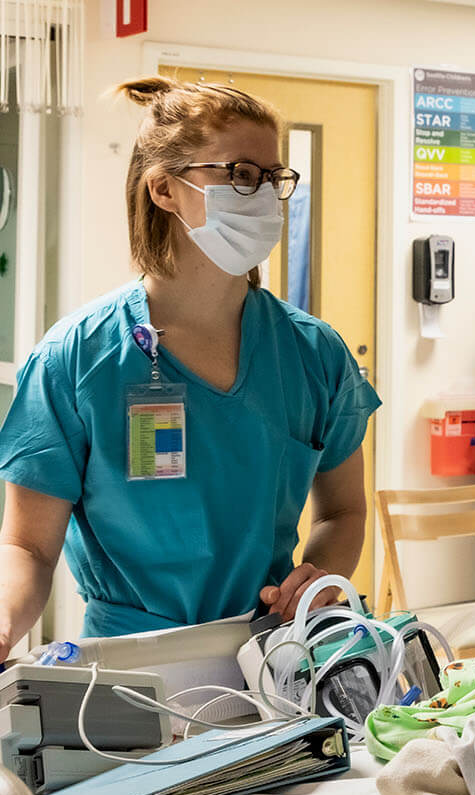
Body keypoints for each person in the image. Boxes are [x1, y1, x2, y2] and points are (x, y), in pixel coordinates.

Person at [0, 76, 380, 658]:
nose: (263, 194)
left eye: (273, 178)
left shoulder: (313, 354)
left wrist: (320, 573)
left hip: (272, 656)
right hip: (128, 666)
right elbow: (28, 548)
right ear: (164, 190)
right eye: (240, 173)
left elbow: (345, 511)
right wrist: (5, 622)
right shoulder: (77, 358)